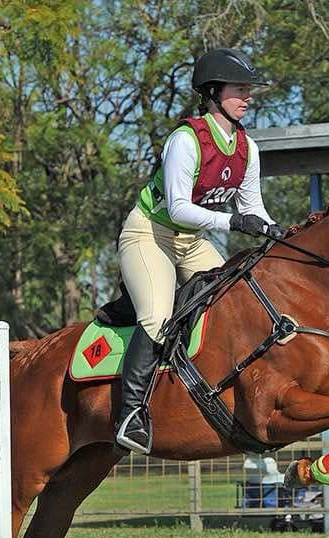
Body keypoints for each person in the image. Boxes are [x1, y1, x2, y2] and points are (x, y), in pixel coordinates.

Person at [114, 48, 283, 455]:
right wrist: (232, 223)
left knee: (238, 304)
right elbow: (176, 208)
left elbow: (251, 208)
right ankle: (130, 414)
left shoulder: (247, 148)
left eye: (248, 90)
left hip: (191, 242)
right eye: (239, 89)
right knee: (157, 316)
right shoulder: (185, 140)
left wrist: (276, 229)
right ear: (212, 91)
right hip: (149, 234)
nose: (248, 96)